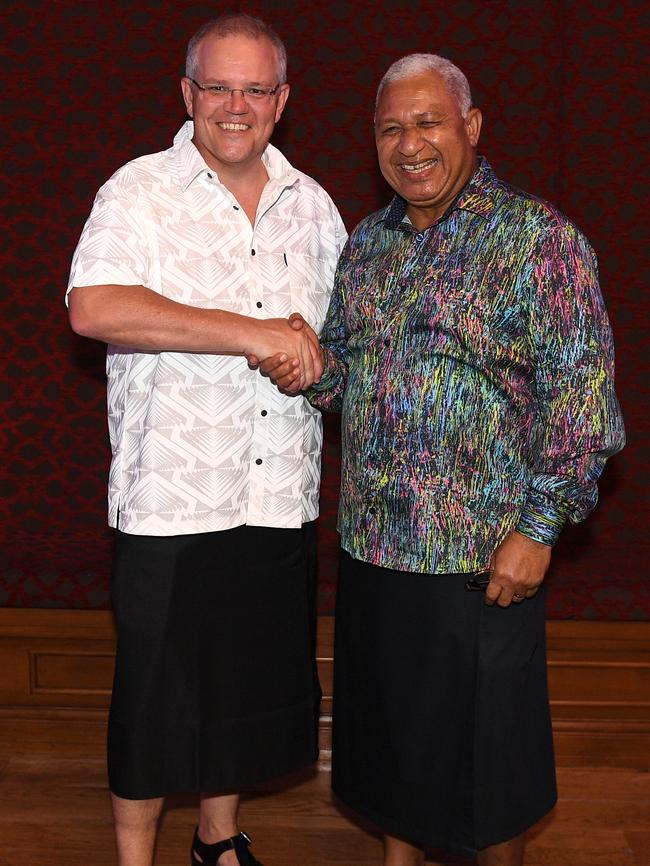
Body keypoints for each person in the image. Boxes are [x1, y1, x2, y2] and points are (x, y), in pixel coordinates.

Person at [259, 54, 625, 866]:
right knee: (396, 757)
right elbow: (350, 375)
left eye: (428, 122)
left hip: (482, 561)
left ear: (472, 126)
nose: (410, 143)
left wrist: (538, 528)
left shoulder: (541, 241)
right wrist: (311, 367)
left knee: (491, 780)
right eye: (391, 128)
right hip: (376, 553)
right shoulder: (367, 246)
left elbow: (583, 405)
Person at [67, 13, 345, 866]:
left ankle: (217, 840)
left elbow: (336, 342)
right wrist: (248, 332)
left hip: (275, 495)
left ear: (282, 100)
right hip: (171, 500)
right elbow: (94, 307)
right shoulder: (138, 190)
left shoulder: (315, 207)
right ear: (187, 94)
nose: (235, 105)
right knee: (153, 705)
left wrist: (311, 359)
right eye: (217, 86)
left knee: (240, 693)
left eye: (254, 88)